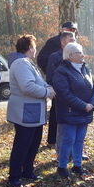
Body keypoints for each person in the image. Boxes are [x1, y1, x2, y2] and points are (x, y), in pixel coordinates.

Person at [6, 35, 56, 187]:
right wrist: (47, 92)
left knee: (33, 142)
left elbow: (38, 83)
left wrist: (47, 87)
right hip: (25, 111)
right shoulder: (21, 63)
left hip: (33, 111)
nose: (35, 50)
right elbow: (27, 86)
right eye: (34, 47)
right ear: (29, 48)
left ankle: (27, 170)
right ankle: (14, 176)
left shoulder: (28, 63)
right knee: (22, 144)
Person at [52, 43, 94, 178]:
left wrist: (92, 104)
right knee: (68, 139)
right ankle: (62, 166)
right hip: (70, 112)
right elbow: (64, 93)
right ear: (71, 55)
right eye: (80, 53)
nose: (83, 55)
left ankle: (77, 166)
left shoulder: (86, 69)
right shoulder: (61, 70)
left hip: (85, 112)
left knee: (79, 140)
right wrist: (83, 105)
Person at [37, 21, 78, 149]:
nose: (72, 31)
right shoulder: (54, 42)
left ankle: (67, 142)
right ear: (62, 30)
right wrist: (52, 73)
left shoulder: (75, 44)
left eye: (74, 30)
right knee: (56, 112)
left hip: (72, 85)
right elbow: (42, 59)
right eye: (69, 29)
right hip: (57, 84)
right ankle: (52, 140)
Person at [46, 32, 76, 157]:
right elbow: (50, 78)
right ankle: (61, 153)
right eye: (71, 39)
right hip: (61, 97)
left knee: (75, 124)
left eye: (75, 39)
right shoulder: (54, 56)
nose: (74, 42)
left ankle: (75, 151)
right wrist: (62, 92)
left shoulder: (76, 56)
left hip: (75, 97)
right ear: (63, 42)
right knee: (61, 127)